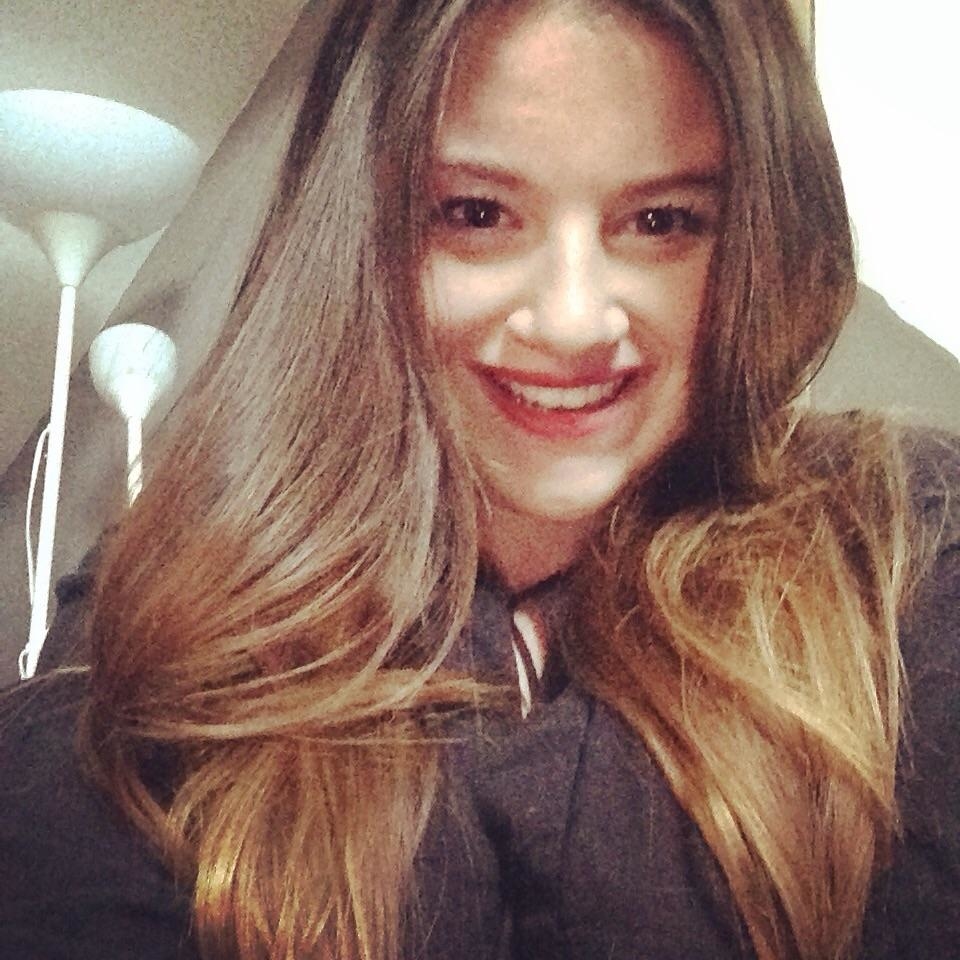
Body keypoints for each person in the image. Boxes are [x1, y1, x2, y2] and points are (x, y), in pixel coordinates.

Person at [1, 0, 957, 958]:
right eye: (477, 214)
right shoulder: (168, 638)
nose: (573, 321)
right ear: (365, 236)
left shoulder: (897, 558)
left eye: (661, 221)